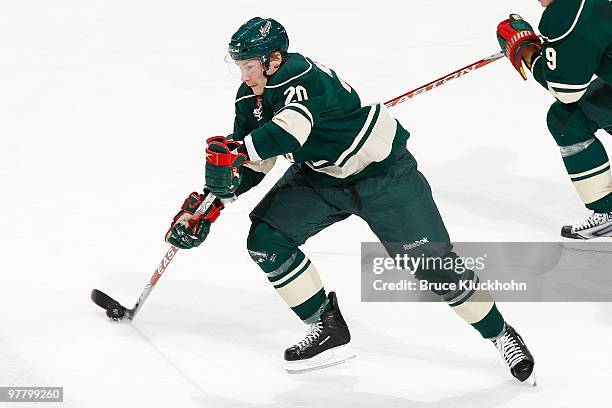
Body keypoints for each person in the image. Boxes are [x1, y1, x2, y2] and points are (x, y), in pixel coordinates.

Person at [165, 17, 535, 382]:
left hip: (383, 177)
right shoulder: (251, 97)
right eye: (240, 67)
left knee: (432, 265)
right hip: (321, 177)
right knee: (266, 240)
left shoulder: (300, 76)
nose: (245, 76)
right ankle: (325, 325)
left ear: (273, 60)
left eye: (249, 66)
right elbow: (254, 161)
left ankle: (501, 334)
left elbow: (289, 133)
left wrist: (239, 151)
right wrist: (213, 202)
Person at [496, 0, 612, 239]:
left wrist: (528, 52)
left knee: (568, 122)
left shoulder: (570, 10)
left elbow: (566, 91)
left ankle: (607, 214)